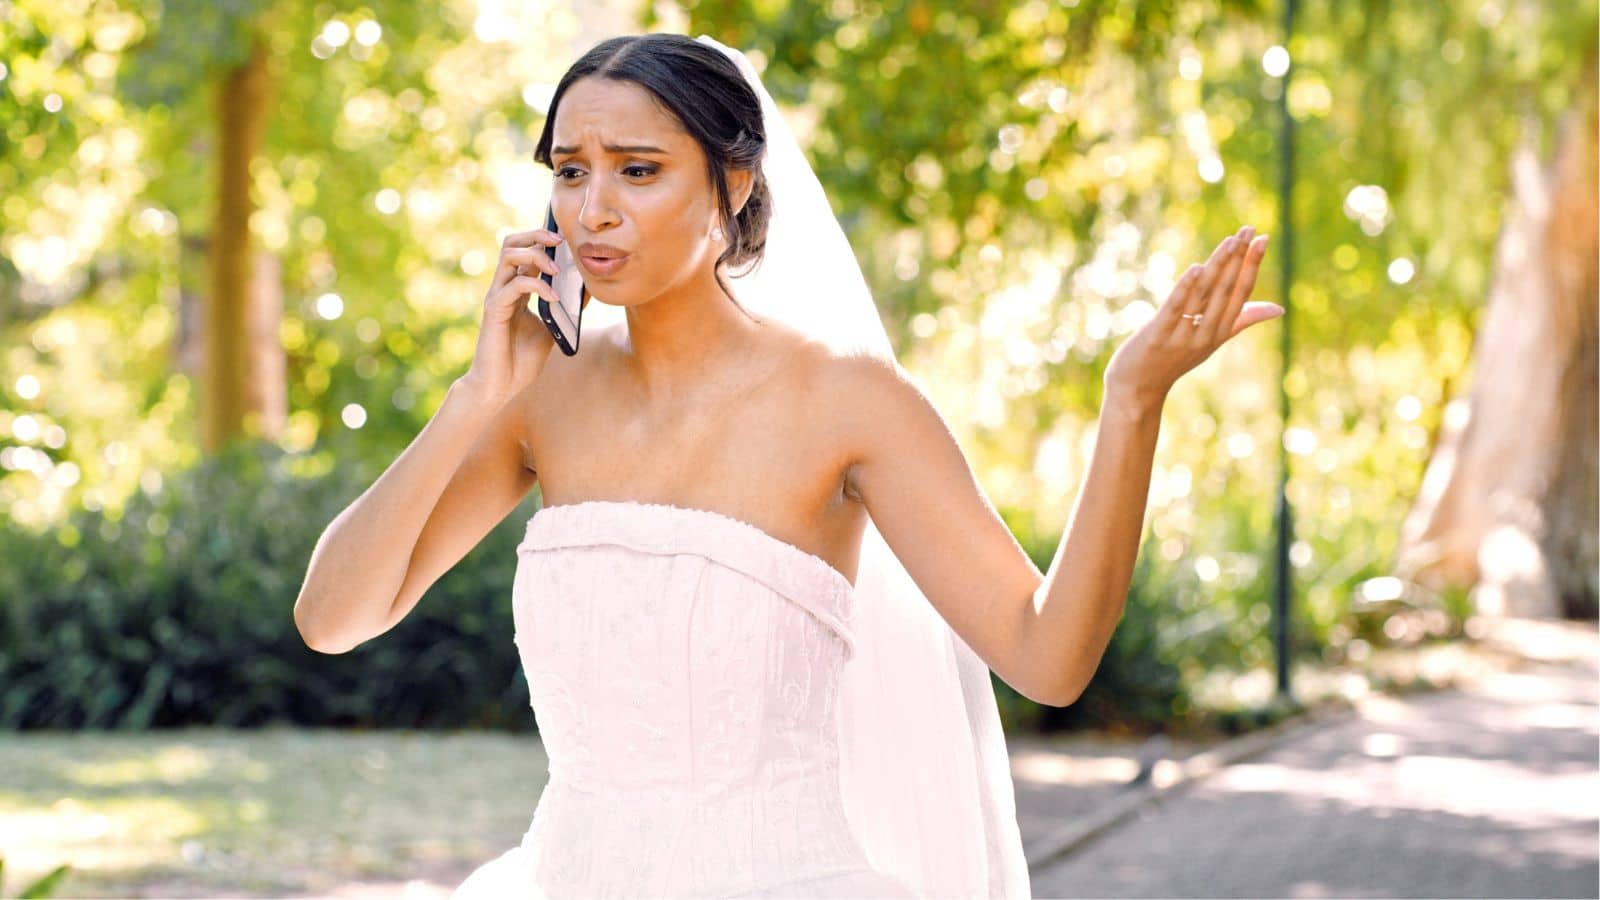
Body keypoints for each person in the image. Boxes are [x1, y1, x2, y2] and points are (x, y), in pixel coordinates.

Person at [293, 30, 1278, 900]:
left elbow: (1047, 656)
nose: (593, 209)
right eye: (569, 170)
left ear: (735, 185)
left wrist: (1131, 403)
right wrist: (473, 397)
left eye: (638, 171)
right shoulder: (537, 400)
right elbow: (333, 619)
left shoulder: (849, 404)